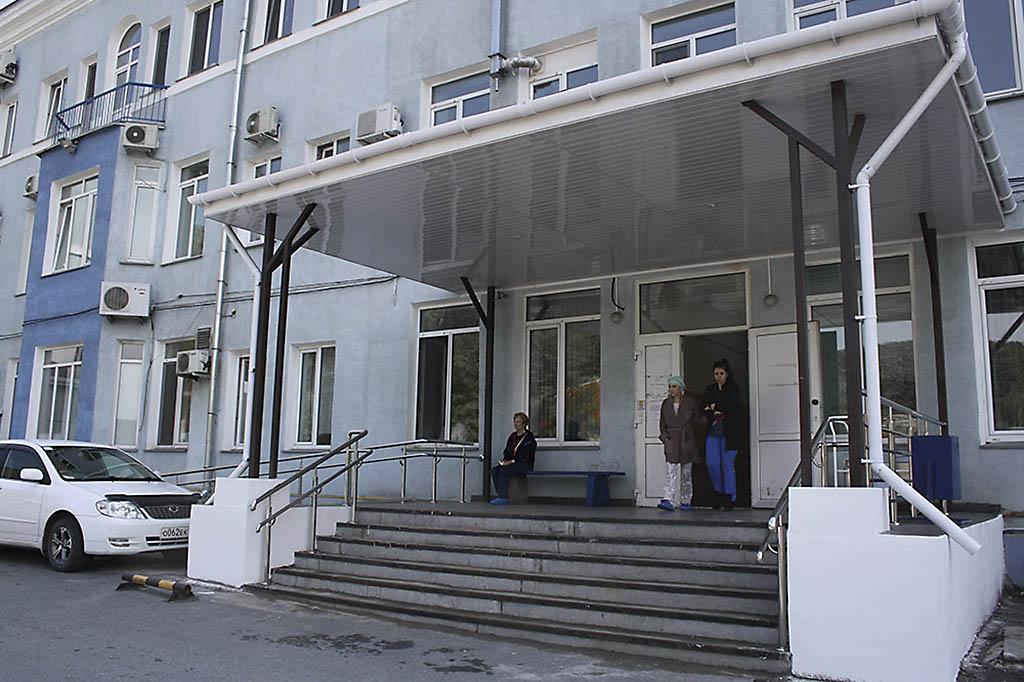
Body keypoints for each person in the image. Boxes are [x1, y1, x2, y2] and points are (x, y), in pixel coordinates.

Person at [702, 359, 742, 511]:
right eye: (716, 374)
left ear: (727, 374)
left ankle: (730, 496)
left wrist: (715, 406)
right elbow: (703, 408)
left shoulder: (734, 389)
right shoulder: (710, 389)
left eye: (721, 373)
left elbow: (734, 408)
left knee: (727, 465)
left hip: (730, 433)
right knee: (712, 464)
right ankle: (718, 493)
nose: (718, 376)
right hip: (713, 431)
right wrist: (715, 411)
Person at [657, 376, 701, 512]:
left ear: (680, 388)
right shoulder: (666, 403)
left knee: (686, 472)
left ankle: (686, 500)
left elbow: (697, 420)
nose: (671, 389)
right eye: (670, 386)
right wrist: (665, 437)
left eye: (674, 386)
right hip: (671, 439)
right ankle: (668, 499)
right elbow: (662, 422)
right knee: (671, 470)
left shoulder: (690, 402)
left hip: (686, 439)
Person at [490, 412, 537, 505]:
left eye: (518, 422)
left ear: (524, 424)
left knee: (505, 470)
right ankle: (501, 494)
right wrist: (505, 460)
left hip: (524, 464)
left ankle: (504, 498)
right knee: (495, 470)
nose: (515, 424)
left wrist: (512, 461)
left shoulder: (529, 438)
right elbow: (507, 451)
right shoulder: (512, 437)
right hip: (512, 463)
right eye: (514, 422)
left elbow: (527, 455)